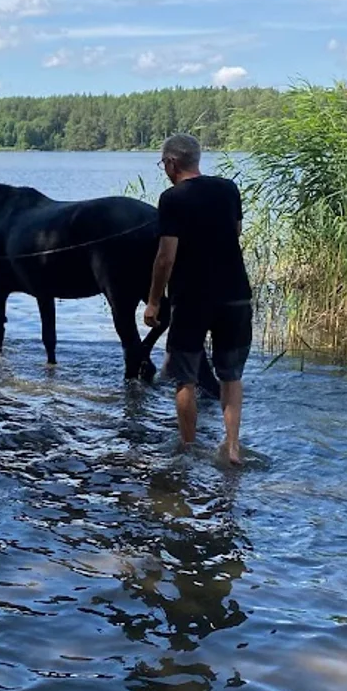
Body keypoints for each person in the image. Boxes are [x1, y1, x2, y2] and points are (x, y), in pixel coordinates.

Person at [143, 132, 252, 465]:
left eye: (164, 163)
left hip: (192, 299)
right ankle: (232, 447)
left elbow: (165, 257)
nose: (165, 169)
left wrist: (153, 301)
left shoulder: (172, 198)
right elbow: (233, 233)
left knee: (185, 377)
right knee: (231, 375)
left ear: (172, 163)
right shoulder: (228, 189)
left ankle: (188, 449)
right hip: (236, 295)